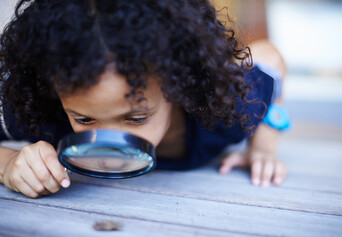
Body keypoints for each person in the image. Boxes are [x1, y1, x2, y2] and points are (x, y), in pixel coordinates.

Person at [0, 0, 288, 199]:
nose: (110, 139)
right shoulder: (41, 114)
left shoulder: (228, 108)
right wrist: (8, 165)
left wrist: (263, 143)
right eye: (84, 118)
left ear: (178, 84)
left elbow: (270, 56)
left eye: (136, 118)